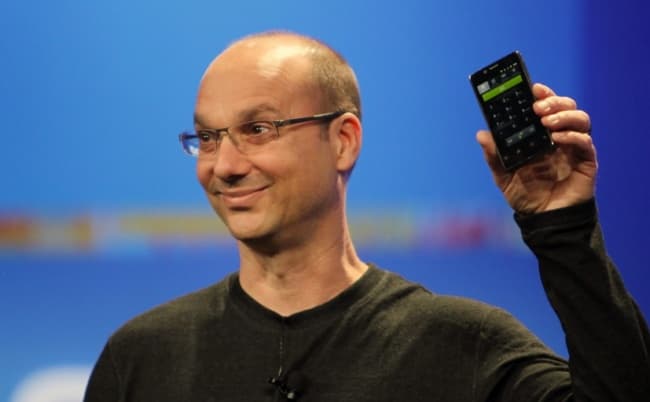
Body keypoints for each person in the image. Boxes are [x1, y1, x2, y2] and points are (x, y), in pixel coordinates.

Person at [83, 31, 650, 401]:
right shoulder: (141, 358)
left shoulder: (464, 346)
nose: (224, 166)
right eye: (207, 138)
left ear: (344, 141)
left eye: (257, 129)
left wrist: (563, 228)